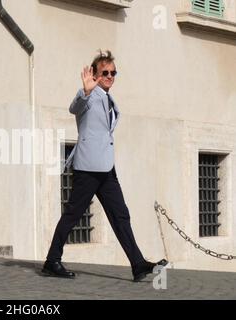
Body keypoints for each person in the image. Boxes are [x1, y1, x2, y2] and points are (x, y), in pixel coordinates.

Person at [42, 50, 167, 282]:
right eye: (105, 73)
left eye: (113, 72)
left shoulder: (109, 98)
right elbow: (74, 108)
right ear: (95, 75)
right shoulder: (90, 96)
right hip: (88, 167)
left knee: (121, 214)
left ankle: (138, 264)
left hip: (106, 167)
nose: (110, 76)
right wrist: (85, 91)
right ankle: (52, 260)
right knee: (73, 213)